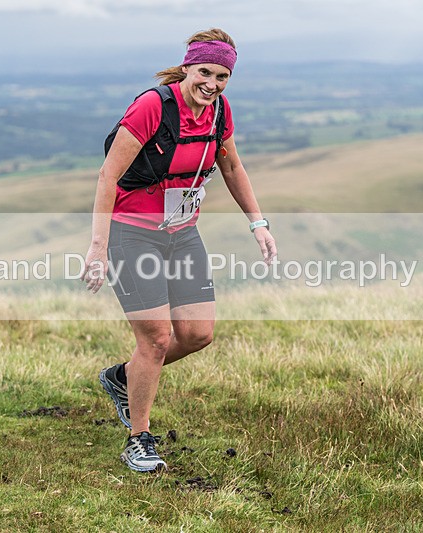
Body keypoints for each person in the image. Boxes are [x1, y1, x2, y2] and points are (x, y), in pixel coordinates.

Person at [82, 28, 276, 472]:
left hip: (181, 232)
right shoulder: (154, 106)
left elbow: (230, 164)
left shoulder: (218, 111)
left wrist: (258, 222)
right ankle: (139, 438)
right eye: (205, 71)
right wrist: (98, 246)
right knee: (155, 338)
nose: (212, 83)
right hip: (131, 233)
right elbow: (107, 177)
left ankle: (123, 377)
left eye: (223, 75)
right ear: (187, 66)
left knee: (197, 334)